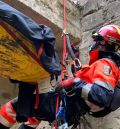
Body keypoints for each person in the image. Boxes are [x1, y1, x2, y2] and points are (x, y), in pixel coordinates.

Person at [0, 24, 120, 129]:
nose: (94, 44)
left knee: (12, 108)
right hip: (69, 109)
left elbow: (101, 95)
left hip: (64, 104)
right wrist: (74, 62)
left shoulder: (105, 64)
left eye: (96, 40)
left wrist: (73, 82)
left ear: (103, 42)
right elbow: (87, 81)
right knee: (34, 118)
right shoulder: (102, 66)